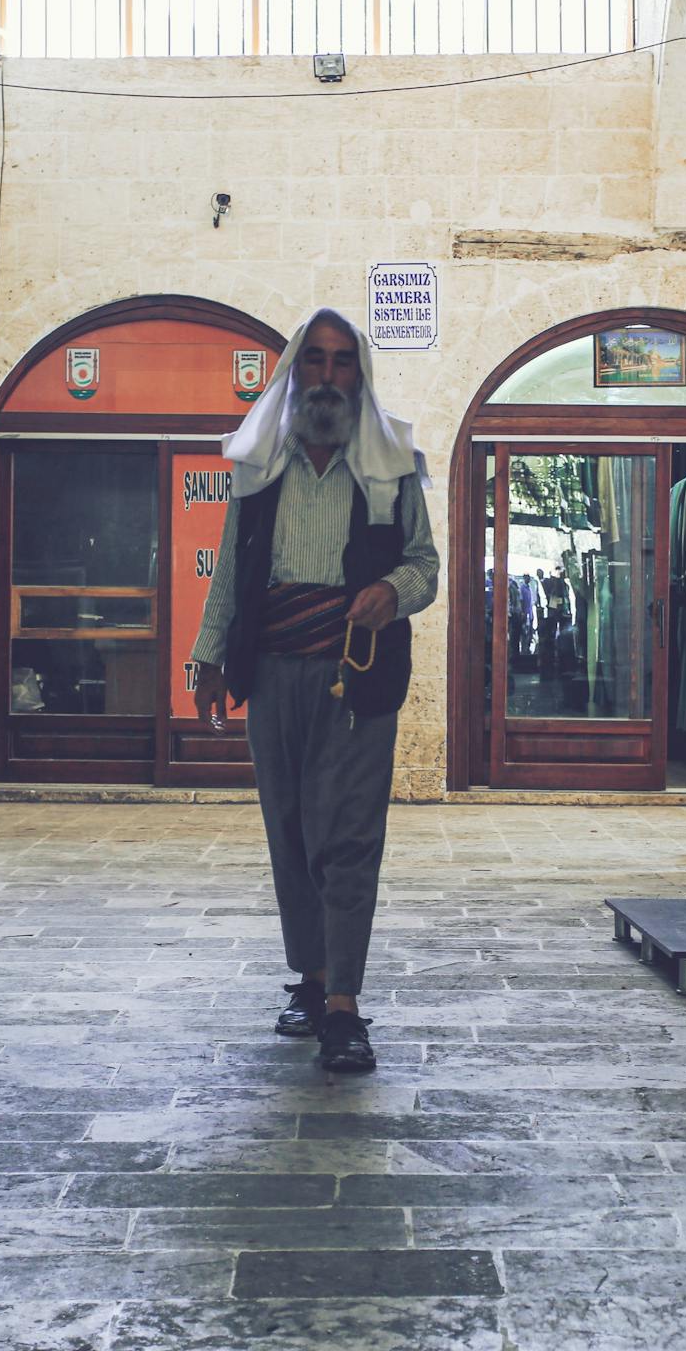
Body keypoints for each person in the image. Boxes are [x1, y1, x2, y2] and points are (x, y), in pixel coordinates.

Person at [190, 308, 439, 1073]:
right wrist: (207, 655)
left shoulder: (393, 464)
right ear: (295, 373)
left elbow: (428, 564)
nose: (328, 376)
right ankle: (311, 975)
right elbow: (233, 568)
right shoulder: (260, 466)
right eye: (315, 362)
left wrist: (391, 591)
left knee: (350, 836)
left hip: (357, 676)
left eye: (342, 363)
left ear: (359, 375)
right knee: (291, 832)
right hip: (273, 675)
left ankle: (343, 1006)